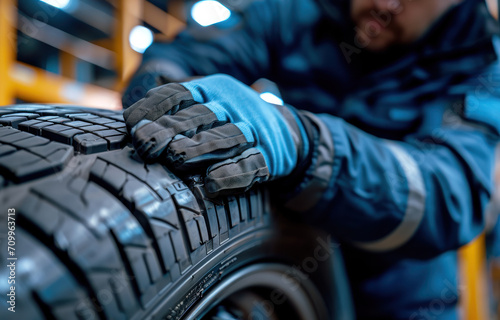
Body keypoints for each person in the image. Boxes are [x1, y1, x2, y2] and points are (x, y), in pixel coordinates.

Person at [122, 0, 500, 318]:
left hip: (402, 297)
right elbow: (184, 56)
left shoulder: (482, 64)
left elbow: (451, 193)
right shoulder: (296, 10)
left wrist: (311, 148)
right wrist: (166, 98)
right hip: (284, 265)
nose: (386, 4)